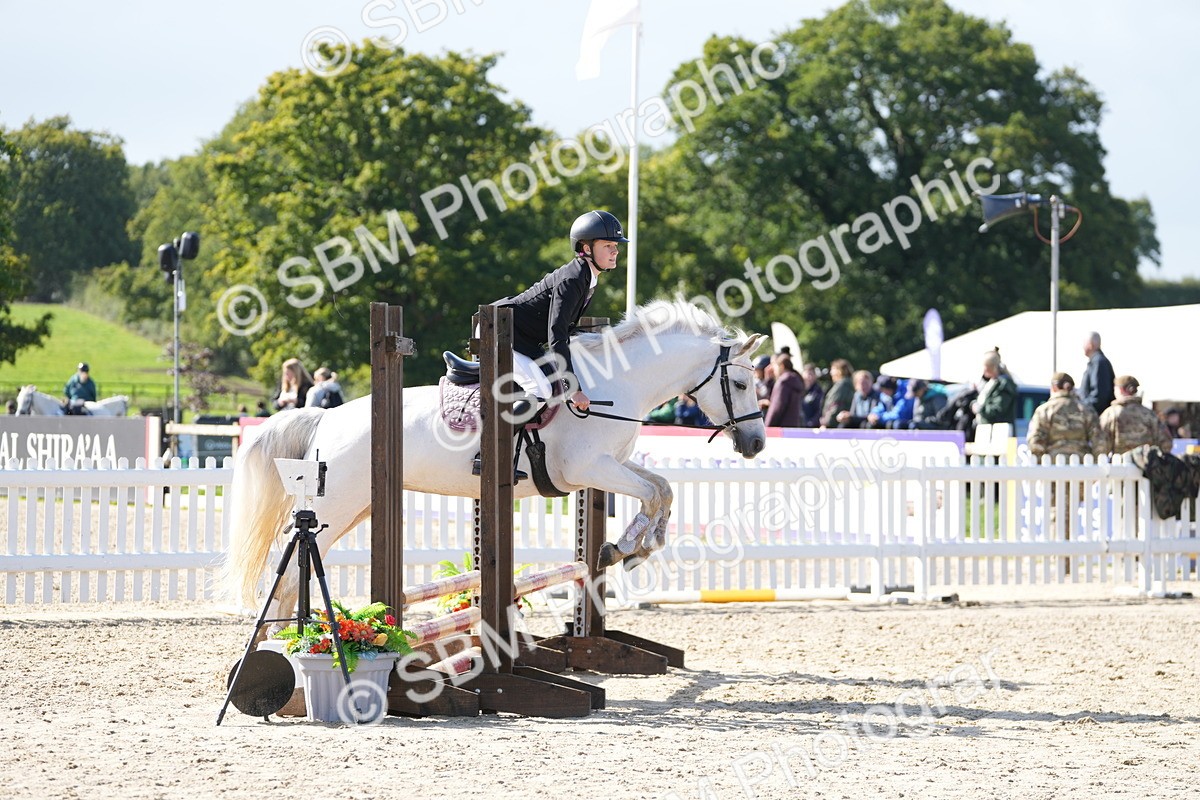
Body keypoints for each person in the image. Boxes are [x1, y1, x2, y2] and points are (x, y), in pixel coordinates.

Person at [489, 210, 628, 411]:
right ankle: (495, 441)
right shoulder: (573, 279)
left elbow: (567, 329)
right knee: (541, 391)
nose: (615, 251)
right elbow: (557, 334)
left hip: (522, 339)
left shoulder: (587, 277)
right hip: (500, 330)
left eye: (615, 245)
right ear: (586, 248)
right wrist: (573, 390)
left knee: (552, 385)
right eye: (607, 245)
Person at [1027, 373, 1108, 460]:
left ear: (1054, 388)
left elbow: (1035, 441)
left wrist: (1040, 462)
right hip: (1081, 465)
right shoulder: (1086, 410)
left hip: (1052, 465)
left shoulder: (1044, 410)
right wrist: (1094, 463)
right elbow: (1099, 442)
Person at [1100, 375, 1173, 455]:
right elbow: (1166, 442)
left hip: (1119, 464)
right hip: (1146, 463)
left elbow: (1101, 443)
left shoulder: (1110, 413)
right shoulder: (1150, 414)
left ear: (1120, 390)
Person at [971, 350, 1017, 430]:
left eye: (985, 366)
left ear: (991, 367)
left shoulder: (1003, 384)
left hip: (998, 431)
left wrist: (980, 409)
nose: (983, 370)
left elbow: (998, 409)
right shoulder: (990, 382)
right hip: (986, 428)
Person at [1079, 332, 1115, 416]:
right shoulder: (1095, 362)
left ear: (1090, 345)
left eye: (1084, 343)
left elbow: (1098, 397)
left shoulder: (1099, 363)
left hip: (1095, 416)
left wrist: (1082, 406)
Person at [764, 355, 804, 427]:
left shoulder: (783, 382)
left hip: (780, 431)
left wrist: (767, 427)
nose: (773, 370)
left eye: (774, 366)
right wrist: (769, 382)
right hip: (792, 428)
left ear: (781, 366)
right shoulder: (795, 380)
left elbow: (776, 408)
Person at [820, 359, 854, 427]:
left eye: (833, 369)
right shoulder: (845, 384)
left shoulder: (843, 385)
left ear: (840, 371)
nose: (831, 372)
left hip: (836, 424)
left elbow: (835, 405)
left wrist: (827, 422)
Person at [799, 363, 825, 427]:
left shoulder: (818, 392)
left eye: (811, 374)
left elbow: (820, 411)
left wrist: (811, 423)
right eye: (807, 374)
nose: (809, 377)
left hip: (811, 427)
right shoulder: (798, 389)